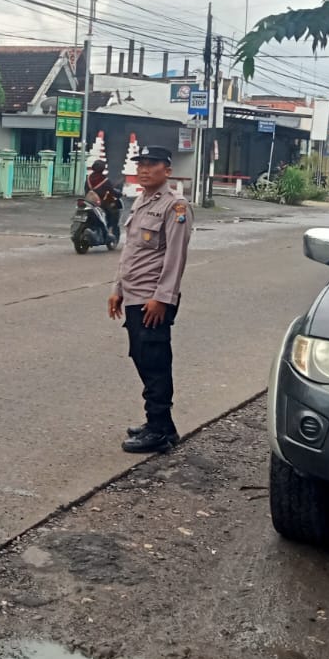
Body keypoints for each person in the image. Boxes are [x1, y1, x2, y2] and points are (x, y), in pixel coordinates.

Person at [107, 145, 194, 454]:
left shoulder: (176, 206)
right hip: (134, 295)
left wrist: (163, 298)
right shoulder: (141, 201)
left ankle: (158, 430)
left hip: (152, 298)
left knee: (155, 362)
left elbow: (175, 257)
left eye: (152, 164)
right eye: (141, 163)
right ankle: (161, 424)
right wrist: (117, 288)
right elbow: (130, 252)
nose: (144, 169)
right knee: (142, 357)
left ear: (167, 170)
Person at [85, 160, 123, 245]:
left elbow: (86, 190)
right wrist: (119, 194)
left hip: (88, 203)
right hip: (100, 204)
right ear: (103, 169)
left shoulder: (88, 178)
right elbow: (112, 192)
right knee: (114, 212)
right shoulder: (104, 180)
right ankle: (110, 231)